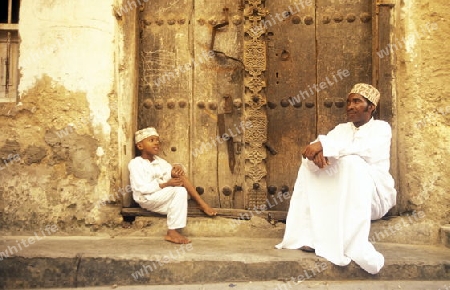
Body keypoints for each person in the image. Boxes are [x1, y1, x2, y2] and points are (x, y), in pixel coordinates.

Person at [275, 83, 397, 274]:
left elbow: (363, 150)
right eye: (348, 102)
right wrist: (318, 151)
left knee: (353, 164)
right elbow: (321, 147)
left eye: (357, 101)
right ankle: (308, 236)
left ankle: (348, 242)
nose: (350, 106)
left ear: (371, 107)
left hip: (373, 196)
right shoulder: (341, 129)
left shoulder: (381, 128)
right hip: (341, 197)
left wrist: (324, 145)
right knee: (310, 167)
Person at [128, 127, 217, 244]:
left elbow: (171, 171)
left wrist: (175, 171)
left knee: (180, 178)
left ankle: (201, 204)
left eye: (157, 140)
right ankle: (172, 232)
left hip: (160, 198)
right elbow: (142, 188)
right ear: (140, 146)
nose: (156, 143)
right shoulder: (136, 164)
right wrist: (166, 184)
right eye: (152, 140)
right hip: (146, 199)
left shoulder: (160, 162)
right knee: (179, 191)